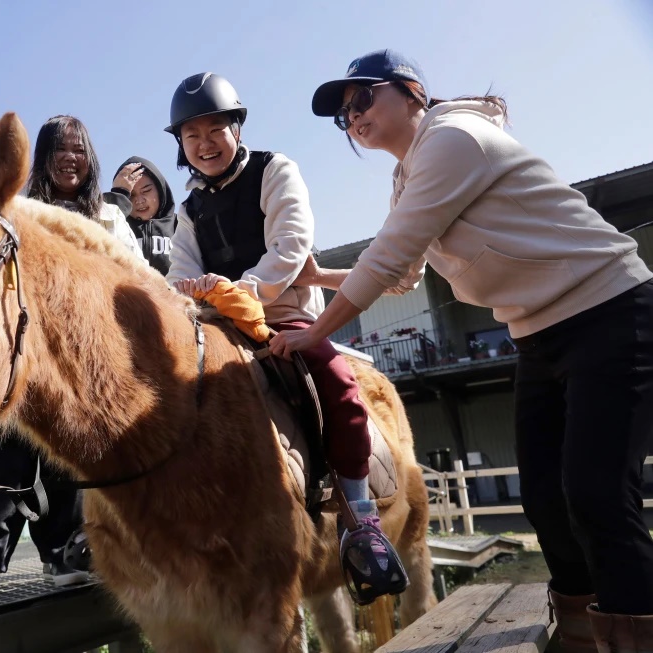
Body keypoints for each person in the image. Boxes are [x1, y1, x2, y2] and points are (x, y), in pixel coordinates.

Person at [272, 49, 653, 650]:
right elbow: (402, 275)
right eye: (343, 115)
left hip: (607, 310)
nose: (353, 117)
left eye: (363, 98)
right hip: (536, 335)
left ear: (412, 91)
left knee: (598, 493)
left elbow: (392, 255)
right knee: (545, 497)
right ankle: (581, 632)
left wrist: (314, 332)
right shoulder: (407, 177)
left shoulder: (453, 137)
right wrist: (318, 279)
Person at [162, 72, 400, 587]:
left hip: (282, 315)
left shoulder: (275, 170)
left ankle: (361, 518)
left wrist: (240, 289)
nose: (204, 144)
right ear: (181, 144)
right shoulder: (188, 209)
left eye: (215, 130)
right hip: (216, 324)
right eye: (192, 136)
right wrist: (191, 290)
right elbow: (177, 273)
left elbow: (291, 245)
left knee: (336, 384)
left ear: (237, 129)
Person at [0, 115, 141, 602]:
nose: (70, 158)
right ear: (43, 159)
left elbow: (135, 274)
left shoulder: (110, 217)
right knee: (2, 453)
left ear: (90, 158)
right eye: (59, 149)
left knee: (65, 461)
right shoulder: (20, 209)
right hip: (25, 347)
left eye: (78, 149)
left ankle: (61, 555)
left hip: (84, 358)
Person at [111, 156, 177, 274]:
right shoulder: (116, 228)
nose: (139, 201)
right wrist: (118, 195)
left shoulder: (182, 224)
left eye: (146, 191)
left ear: (160, 190)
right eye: (131, 195)